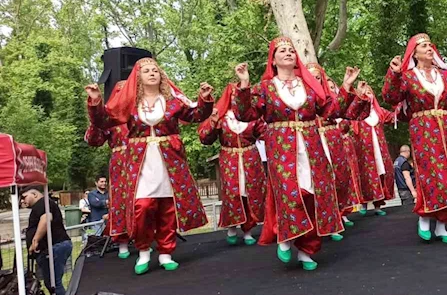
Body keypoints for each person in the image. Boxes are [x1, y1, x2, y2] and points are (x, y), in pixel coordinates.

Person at [85, 57, 214, 275]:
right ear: (138, 78)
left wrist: (204, 98)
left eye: (155, 70)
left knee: (167, 208)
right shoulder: (129, 104)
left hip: (169, 161)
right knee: (142, 207)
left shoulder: (172, 102)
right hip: (140, 163)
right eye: (146, 71)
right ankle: (143, 250)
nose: (152, 73)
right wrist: (96, 101)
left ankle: (166, 253)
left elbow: (196, 115)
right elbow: (104, 121)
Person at [232, 37, 345, 270]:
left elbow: (331, 110)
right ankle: (285, 234)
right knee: (291, 193)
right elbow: (245, 114)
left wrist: (347, 88)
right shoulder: (265, 87)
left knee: (311, 195)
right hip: (282, 148)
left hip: (311, 146)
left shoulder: (309, 85)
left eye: (291, 50)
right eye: (282, 50)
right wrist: (244, 84)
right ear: (273, 60)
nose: (288, 53)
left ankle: (306, 251)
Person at [382, 33, 447, 244]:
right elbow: (391, 97)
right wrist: (394, 73)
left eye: (430, 45)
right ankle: (425, 217)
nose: (429, 48)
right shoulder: (408, 77)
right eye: (424, 46)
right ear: (414, 53)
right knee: (432, 174)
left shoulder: (445, 75)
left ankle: (442, 226)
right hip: (423, 130)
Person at [198, 84, 269, 246]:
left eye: (239, 96)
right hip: (229, 159)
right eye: (233, 95)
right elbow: (205, 139)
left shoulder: (252, 117)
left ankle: (248, 230)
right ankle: (231, 227)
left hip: (250, 158)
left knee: (250, 193)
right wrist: (212, 123)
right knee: (232, 194)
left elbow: (265, 133)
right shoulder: (220, 117)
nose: (236, 99)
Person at [306, 63, 369, 240]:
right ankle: (324, 223)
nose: (315, 80)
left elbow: (349, 113)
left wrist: (353, 91)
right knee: (318, 183)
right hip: (312, 141)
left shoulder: (330, 98)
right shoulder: (300, 97)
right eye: (311, 77)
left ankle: (336, 217)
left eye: (318, 77)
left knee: (339, 179)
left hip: (332, 140)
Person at [84, 80, 132, 258]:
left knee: (142, 200)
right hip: (120, 164)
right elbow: (93, 140)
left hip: (142, 160)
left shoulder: (140, 114)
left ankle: (144, 238)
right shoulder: (109, 118)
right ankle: (122, 243)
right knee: (120, 202)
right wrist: (96, 111)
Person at [352, 85, 396, 217]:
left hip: (379, 149)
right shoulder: (356, 114)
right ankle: (364, 204)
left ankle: (378, 205)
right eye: (364, 93)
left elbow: (395, 116)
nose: (367, 95)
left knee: (381, 173)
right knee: (365, 175)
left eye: (369, 92)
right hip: (363, 152)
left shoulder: (379, 112)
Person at [21, 185, 73, 295]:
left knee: (54, 283)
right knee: (51, 282)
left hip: (55, 246)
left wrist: (35, 241)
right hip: (54, 247)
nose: (22, 201)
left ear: (34, 194)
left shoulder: (43, 203)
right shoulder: (43, 205)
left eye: (24, 197)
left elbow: (46, 219)